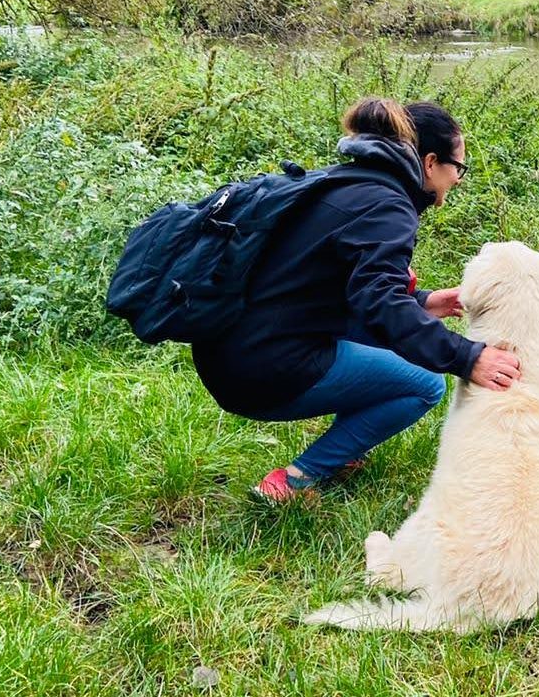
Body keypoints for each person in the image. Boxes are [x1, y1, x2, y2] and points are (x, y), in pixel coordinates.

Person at [190, 97, 522, 504]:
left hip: (228, 353)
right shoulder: (388, 206)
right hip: (261, 370)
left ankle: (346, 449)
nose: (458, 180)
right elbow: (379, 302)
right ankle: (293, 481)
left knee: (393, 343)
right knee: (424, 385)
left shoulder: (344, 182)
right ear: (432, 162)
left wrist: (422, 302)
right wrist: (469, 357)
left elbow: (344, 290)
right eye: (459, 168)